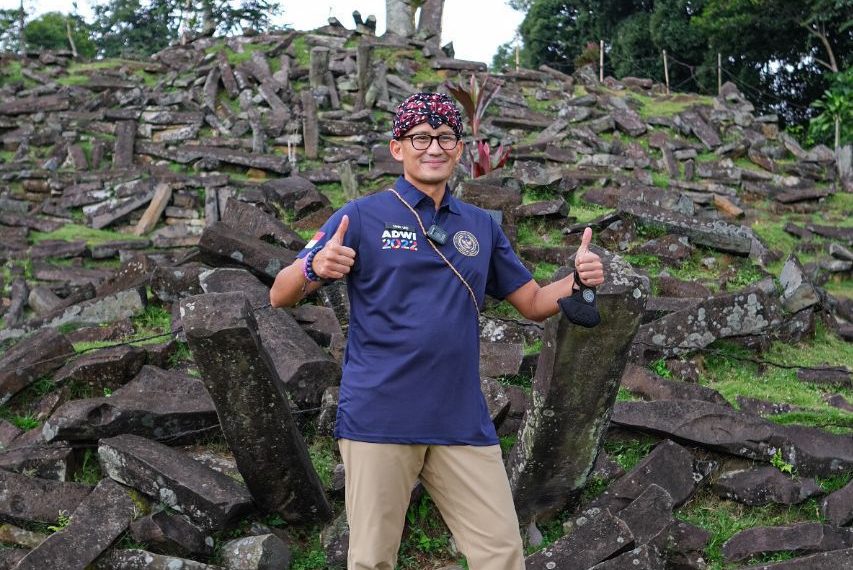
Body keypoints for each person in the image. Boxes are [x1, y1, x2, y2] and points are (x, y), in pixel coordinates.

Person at [270, 92, 605, 570]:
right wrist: (315, 266)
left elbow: (532, 303)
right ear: (398, 147)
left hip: (460, 418)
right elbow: (279, 293)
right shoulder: (361, 216)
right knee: (371, 561)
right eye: (421, 137)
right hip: (379, 417)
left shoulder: (480, 227)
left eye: (446, 137)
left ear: (460, 149)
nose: (434, 147)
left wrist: (576, 280)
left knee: (502, 554)